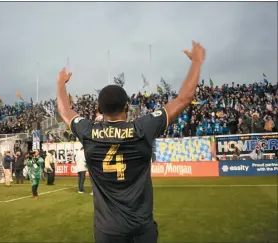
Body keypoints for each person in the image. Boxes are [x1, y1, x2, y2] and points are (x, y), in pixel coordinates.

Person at [57, 40, 205, 243]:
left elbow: (65, 111)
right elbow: (184, 98)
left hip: (107, 231)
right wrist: (196, 62)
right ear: (127, 106)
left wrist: (60, 83)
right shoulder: (142, 129)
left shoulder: (88, 131)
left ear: (99, 111)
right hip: (141, 228)